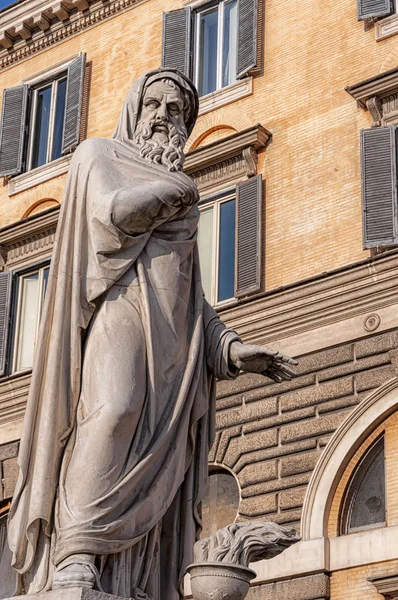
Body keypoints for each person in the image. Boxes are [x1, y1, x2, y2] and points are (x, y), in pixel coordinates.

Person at [6, 69, 296, 600]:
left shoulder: (182, 197)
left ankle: (128, 579)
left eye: (177, 111)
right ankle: (76, 555)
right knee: (112, 410)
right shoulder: (101, 156)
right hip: (117, 308)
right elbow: (113, 217)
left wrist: (231, 347)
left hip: (174, 346)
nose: (165, 118)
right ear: (134, 110)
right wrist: (175, 188)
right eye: (155, 106)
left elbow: (191, 295)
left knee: (161, 459)